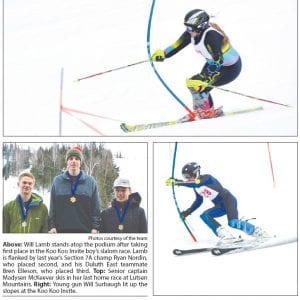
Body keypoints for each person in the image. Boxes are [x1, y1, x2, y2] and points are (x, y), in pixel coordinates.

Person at [151, 9, 242, 121]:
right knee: (196, 84)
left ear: (201, 26)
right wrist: (163, 54)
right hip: (212, 64)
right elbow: (177, 45)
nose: (188, 31)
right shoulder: (193, 32)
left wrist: (205, 77)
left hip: (230, 68)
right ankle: (204, 111)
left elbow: (218, 60)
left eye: (190, 28)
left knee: (198, 85)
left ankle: (205, 112)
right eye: (187, 27)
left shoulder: (212, 36)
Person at [166, 162, 271, 244]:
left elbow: (196, 183)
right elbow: (198, 201)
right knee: (204, 215)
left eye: (189, 176)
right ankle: (226, 236)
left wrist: (177, 182)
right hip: (220, 206)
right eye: (185, 177)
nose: (187, 179)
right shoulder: (196, 187)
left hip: (228, 200)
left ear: (196, 172)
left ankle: (258, 232)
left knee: (233, 223)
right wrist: (187, 212)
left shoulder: (206, 178)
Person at [48, 146, 101, 233]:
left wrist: (95, 227)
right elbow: (52, 207)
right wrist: (52, 226)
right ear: (67, 162)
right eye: (71, 158)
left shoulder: (90, 181)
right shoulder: (57, 181)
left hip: (85, 231)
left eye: (77, 159)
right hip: (61, 232)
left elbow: (96, 208)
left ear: (80, 162)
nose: (73, 161)